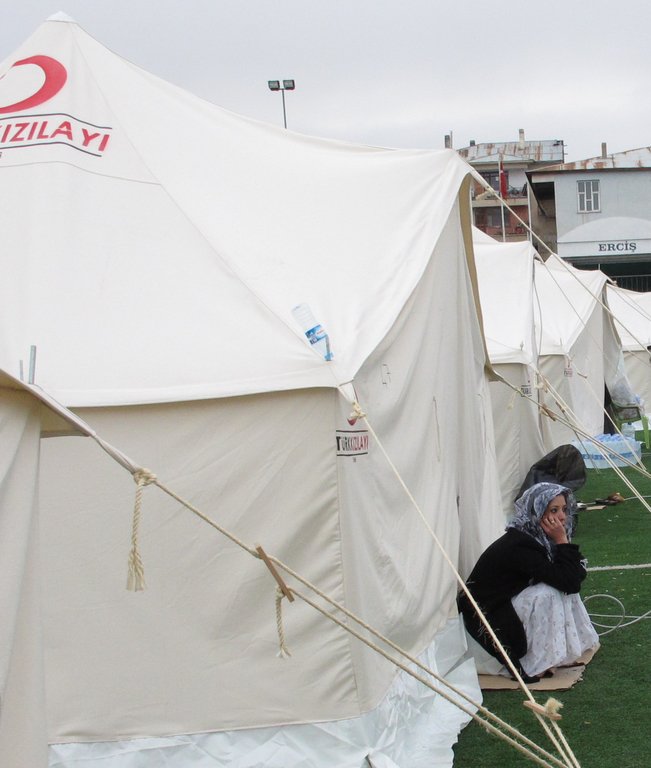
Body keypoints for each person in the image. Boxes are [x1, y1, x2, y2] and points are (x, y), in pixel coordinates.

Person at [458, 482, 599, 683]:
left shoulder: (539, 539)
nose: (562, 517)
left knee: (558, 588)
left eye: (563, 509)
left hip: (508, 599)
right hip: (487, 610)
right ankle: (535, 662)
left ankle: (559, 653)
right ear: (537, 512)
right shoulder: (521, 543)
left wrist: (563, 543)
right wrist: (562, 541)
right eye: (554, 510)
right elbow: (569, 582)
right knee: (548, 593)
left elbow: (574, 578)